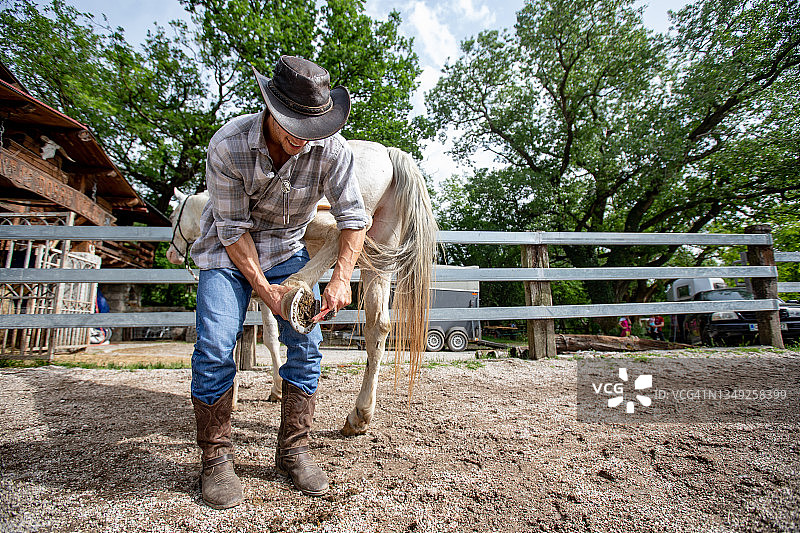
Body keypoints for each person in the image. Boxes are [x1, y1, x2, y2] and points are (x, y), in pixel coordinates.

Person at [188, 56, 368, 509]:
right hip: (228, 250)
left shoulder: (332, 149)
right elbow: (231, 230)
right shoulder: (227, 146)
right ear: (270, 109)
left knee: (307, 345)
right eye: (294, 128)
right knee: (214, 345)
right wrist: (269, 295)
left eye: (313, 130)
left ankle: (293, 450)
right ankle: (215, 458)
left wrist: (341, 278)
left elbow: (353, 219)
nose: (304, 141)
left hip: (288, 250)